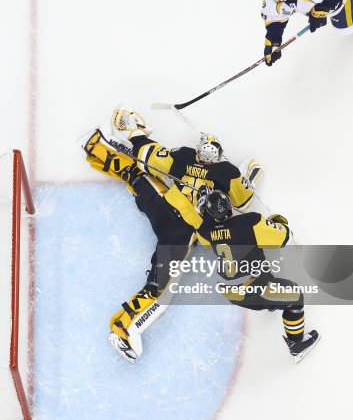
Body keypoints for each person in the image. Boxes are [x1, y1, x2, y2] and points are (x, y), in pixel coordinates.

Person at [82, 106, 263, 362]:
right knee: (160, 290)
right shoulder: (227, 172)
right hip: (182, 232)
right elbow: (243, 201)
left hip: (164, 205)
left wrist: (136, 135)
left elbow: (150, 156)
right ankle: (124, 327)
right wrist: (248, 177)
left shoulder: (185, 156)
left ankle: (97, 148)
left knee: (137, 176)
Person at [193, 189, 320, 362]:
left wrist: (203, 205)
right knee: (296, 297)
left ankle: (270, 303)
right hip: (253, 290)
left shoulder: (206, 231)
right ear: (229, 206)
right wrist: (275, 223)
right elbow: (284, 237)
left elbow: (205, 228)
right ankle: (297, 345)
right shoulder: (249, 222)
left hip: (231, 293)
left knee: (262, 273)